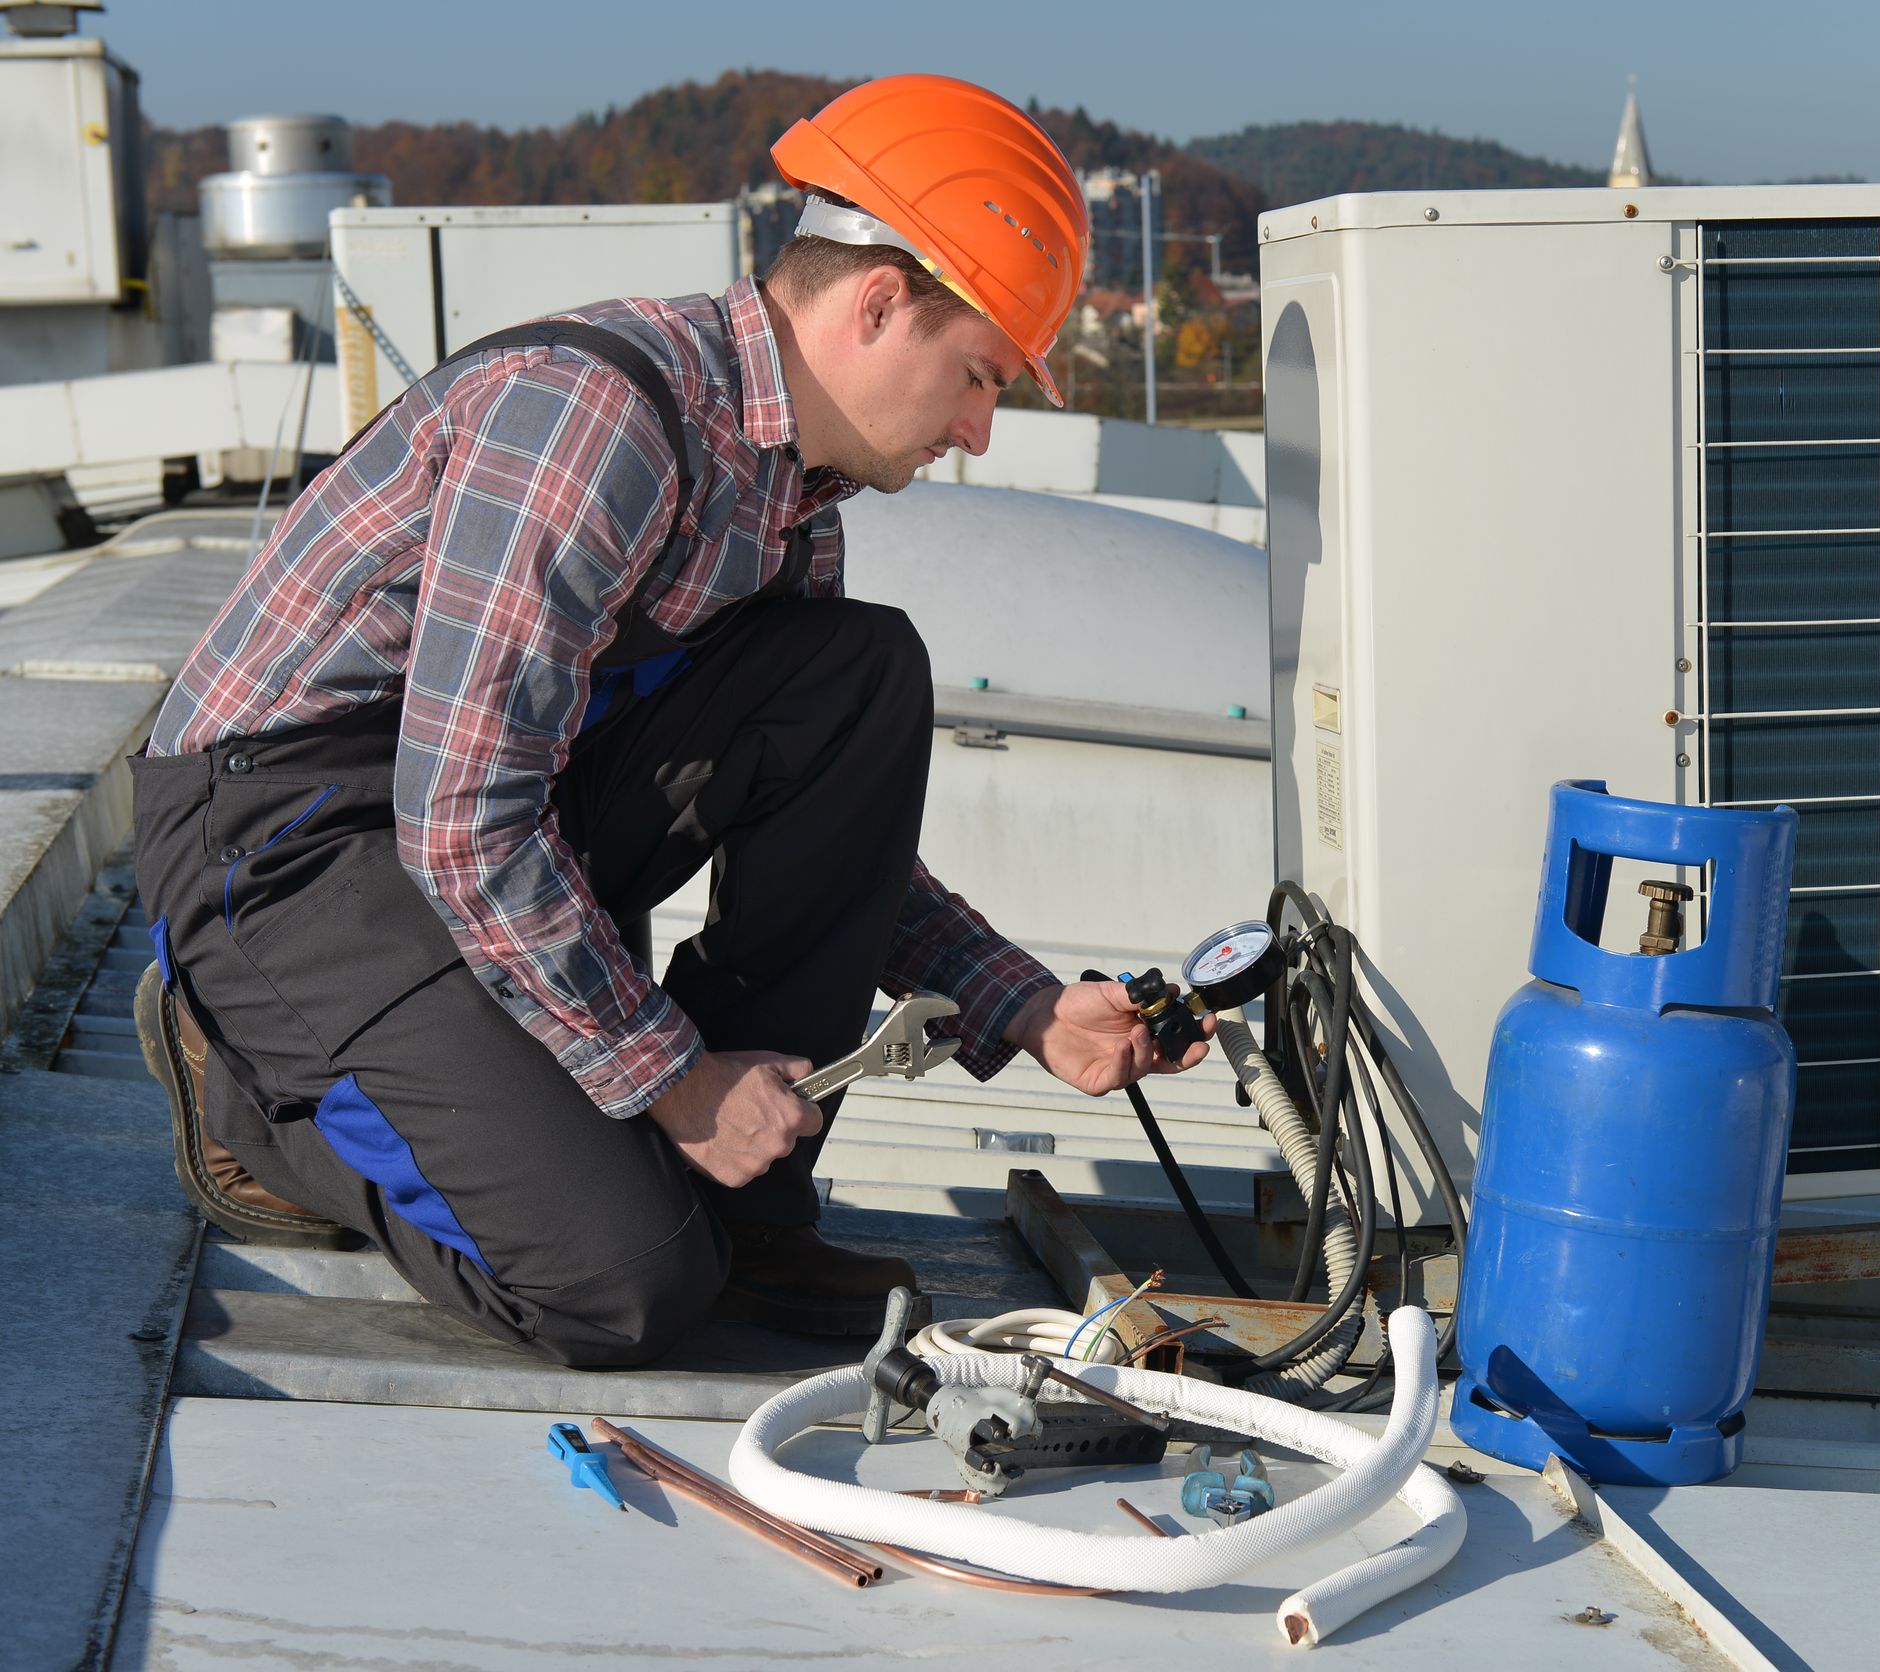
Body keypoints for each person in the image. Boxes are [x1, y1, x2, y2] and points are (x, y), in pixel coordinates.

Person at [129, 75, 1207, 1367]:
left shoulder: (789, 502)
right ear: (877, 304)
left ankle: (741, 1212)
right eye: (978, 376)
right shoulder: (605, 421)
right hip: (286, 836)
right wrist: (669, 1080)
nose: (978, 431)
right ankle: (249, 1084)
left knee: (860, 675)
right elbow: (465, 816)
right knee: (621, 1287)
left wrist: (1025, 1007)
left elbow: (842, 846)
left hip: (463, 808)